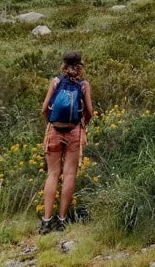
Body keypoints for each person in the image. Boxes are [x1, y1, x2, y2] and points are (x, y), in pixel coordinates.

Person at [38, 50, 93, 234]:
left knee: (52, 174)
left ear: (63, 64)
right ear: (80, 66)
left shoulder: (55, 82)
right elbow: (90, 111)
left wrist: (50, 123)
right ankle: (62, 220)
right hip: (74, 131)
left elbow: (44, 108)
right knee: (69, 175)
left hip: (54, 129)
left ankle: (46, 221)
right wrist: (83, 125)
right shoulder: (84, 85)